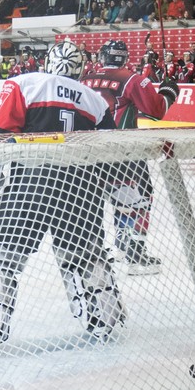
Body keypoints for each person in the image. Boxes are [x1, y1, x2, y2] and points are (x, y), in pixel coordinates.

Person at [0, 39, 121, 349]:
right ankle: (105, 317)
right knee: (85, 251)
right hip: (82, 186)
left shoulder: (24, 83)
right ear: (80, 68)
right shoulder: (94, 100)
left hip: (31, 180)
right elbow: (110, 151)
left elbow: (0, 139)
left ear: (48, 62)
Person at [81, 39, 181, 274]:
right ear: (124, 58)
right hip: (123, 152)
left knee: (92, 203)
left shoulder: (85, 79)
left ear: (102, 57)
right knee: (138, 199)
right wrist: (169, 91)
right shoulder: (132, 79)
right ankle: (133, 252)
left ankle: (97, 252)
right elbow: (157, 112)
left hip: (87, 152)